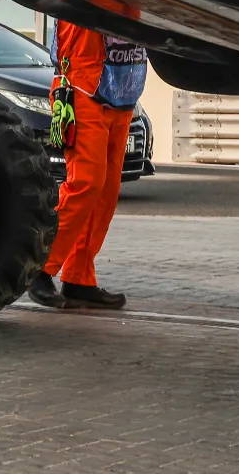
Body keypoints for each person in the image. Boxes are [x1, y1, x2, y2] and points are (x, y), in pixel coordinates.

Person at [26, 21, 147, 310]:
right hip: (84, 87)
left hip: (122, 89)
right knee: (86, 182)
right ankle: (39, 267)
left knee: (106, 190)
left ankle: (79, 276)